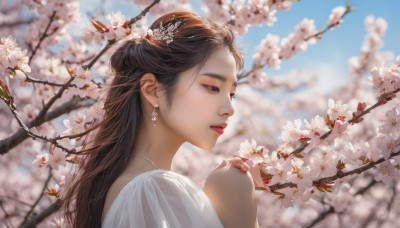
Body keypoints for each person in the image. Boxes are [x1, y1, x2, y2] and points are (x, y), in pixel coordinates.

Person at [63, 11, 258, 228]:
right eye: (212, 87)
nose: (229, 109)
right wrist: (239, 207)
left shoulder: (133, 187)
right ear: (153, 90)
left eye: (232, 94)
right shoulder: (151, 190)